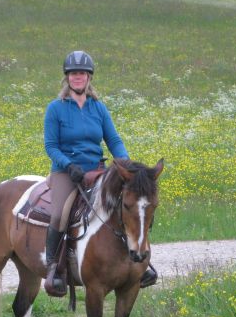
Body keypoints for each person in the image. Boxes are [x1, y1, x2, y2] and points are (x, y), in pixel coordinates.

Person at [43, 50, 157, 297]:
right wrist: (68, 165)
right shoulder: (56, 109)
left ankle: (139, 263)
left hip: (97, 170)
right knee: (60, 214)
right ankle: (53, 267)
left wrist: (125, 164)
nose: (78, 78)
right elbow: (51, 146)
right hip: (67, 173)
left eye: (82, 74)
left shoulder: (99, 108)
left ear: (88, 78)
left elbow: (113, 140)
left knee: (126, 206)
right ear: (67, 78)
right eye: (73, 74)